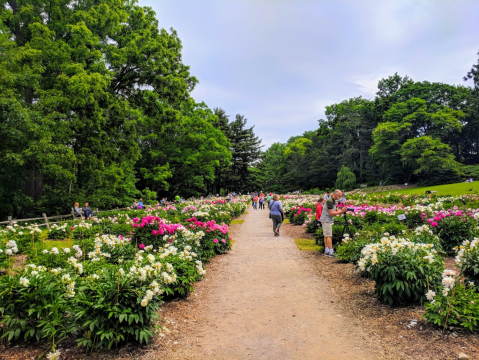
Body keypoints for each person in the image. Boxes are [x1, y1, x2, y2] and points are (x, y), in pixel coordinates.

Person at [319, 189, 347, 256]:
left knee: (326, 235)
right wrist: (342, 211)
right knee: (329, 236)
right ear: (336, 195)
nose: (341, 197)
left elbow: (336, 210)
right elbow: (331, 213)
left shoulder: (333, 200)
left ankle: (327, 251)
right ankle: (331, 252)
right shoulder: (330, 201)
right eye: (340, 195)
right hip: (326, 219)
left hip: (325, 219)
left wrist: (342, 210)